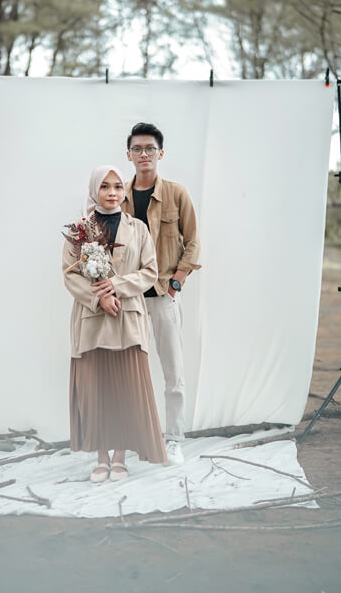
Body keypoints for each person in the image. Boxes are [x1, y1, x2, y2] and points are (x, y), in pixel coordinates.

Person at [62, 165, 167, 483]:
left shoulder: (138, 229)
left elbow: (150, 272)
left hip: (128, 318)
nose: (112, 192)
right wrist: (99, 299)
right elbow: (70, 275)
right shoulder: (79, 230)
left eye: (118, 186)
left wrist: (115, 286)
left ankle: (120, 456)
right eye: (105, 186)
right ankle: (101, 457)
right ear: (94, 190)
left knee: (125, 389)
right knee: (96, 390)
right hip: (92, 320)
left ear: (124, 191)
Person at [122, 123, 201, 465]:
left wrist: (177, 282)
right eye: (137, 149)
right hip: (130, 299)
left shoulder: (176, 194)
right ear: (128, 155)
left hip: (164, 296)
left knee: (173, 373)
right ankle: (136, 437)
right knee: (130, 373)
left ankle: (174, 440)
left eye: (150, 148)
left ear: (161, 153)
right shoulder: (119, 196)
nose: (144, 154)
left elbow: (193, 242)